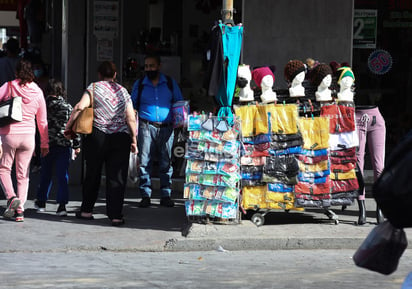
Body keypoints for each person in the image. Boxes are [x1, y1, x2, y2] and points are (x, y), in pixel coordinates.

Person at [64, 61, 137, 226]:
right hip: (120, 137)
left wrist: (69, 128)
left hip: (97, 136)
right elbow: (131, 117)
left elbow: (79, 107)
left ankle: (86, 211)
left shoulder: (94, 87)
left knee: (93, 173)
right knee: (117, 177)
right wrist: (134, 139)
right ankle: (116, 215)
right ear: (115, 75)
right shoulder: (123, 91)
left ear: (99, 74)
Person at [131, 53, 183, 208]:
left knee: (166, 162)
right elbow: (132, 106)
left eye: (152, 66)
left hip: (167, 128)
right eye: (146, 66)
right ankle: (145, 195)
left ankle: (166, 194)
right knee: (144, 162)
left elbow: (179, 102)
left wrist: (181, 122)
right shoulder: (140, 84)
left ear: (159, 66)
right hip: (146, 126)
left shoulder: (169, 83)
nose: (149, 69)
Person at [0, 58, 49, 222]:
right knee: (23, 175)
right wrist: (44, 143)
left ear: (16, 72)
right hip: (28, 137)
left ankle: (11, 198)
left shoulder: (9, 86)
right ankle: (19, 211)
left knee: (4, 169)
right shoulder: (37, 91)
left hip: (9, 135)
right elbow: (42, 121)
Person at [35, 79, 81, 216]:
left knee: (45, 175)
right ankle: (61, 206)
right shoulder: (67, 106)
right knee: (63, 176)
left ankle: (41, 202)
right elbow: (73, 127)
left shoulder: (42, 105)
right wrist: (76, 145)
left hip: (46, 144)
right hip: (63, 145)